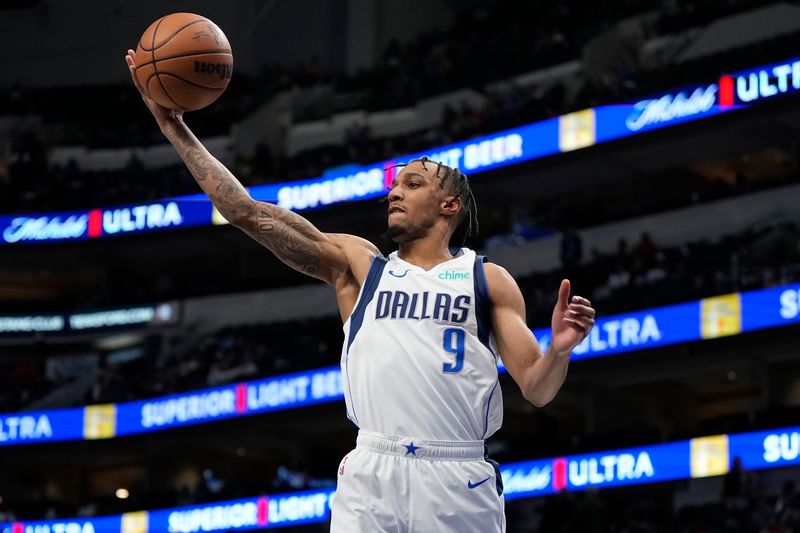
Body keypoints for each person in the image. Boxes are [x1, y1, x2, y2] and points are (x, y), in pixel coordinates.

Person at [125, 50, 596, 533]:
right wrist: (174, 129)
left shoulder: (487, 278)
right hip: (372, 466)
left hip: (457, 473)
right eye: (394, 185)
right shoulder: (360, 266)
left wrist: (559, 350)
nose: (394, 191)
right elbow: (247, 212)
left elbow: (537, 389)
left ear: (449, 203)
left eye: (412, 184)